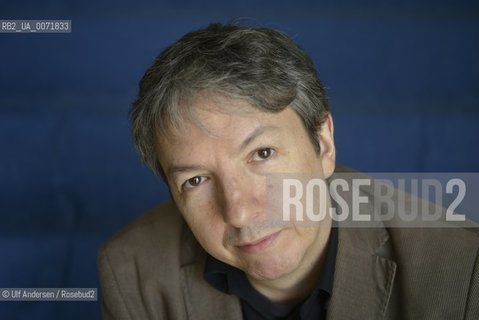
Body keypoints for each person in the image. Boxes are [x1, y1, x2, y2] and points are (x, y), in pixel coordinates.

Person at [98, 23, 479, 320]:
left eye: (262, 154)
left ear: (323, 144)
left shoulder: (462, 268)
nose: (240, 212)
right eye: (195, 180)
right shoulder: (133, 271)